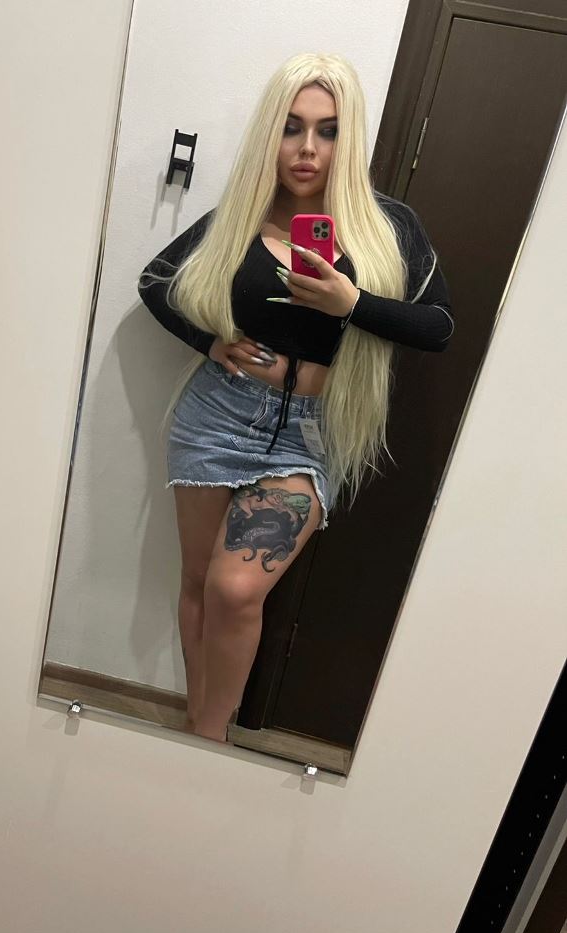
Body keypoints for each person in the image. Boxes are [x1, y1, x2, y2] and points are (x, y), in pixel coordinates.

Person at [137, 53, 454, 744]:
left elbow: (437, 327)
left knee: (234, 589)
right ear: (269, 134)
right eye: (291, 127)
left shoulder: (388, 228)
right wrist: (208, 342)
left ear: (350, 136)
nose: (307, 148)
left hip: (309, 433)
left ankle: (204, 737)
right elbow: (155, 281)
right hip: (217, 414)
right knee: (198, 581)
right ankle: (202, 733)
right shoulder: (240, 219)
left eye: (328, 130)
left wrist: (352, 302)